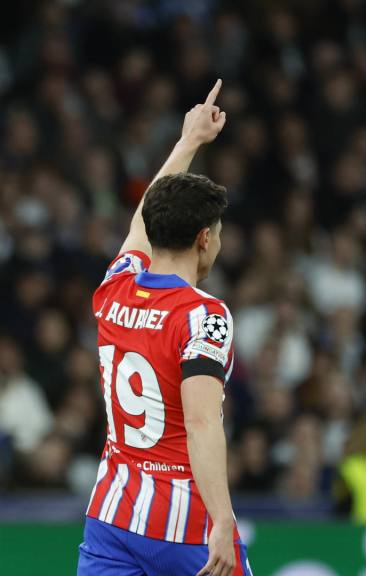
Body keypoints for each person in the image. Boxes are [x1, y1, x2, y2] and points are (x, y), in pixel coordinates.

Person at [78, 80, 252, 576]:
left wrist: (188, 141)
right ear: (203, 238)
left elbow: (141, 220)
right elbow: (200, 421)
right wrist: (222, 520)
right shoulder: (204, 315)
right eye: (217, 234)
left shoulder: (115, 286)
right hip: (184, 525)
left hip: (111, 515)